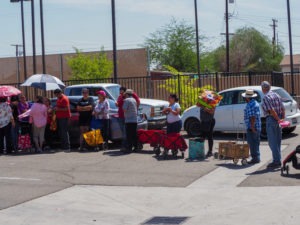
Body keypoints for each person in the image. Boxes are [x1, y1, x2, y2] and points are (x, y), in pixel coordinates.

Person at [261, 81, 285, 168]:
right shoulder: (277, 95)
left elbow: (271, 111)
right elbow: (283, 108)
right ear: (269, 87)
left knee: (272, 142)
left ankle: (276, 161)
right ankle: (278, 160)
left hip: (271, 119)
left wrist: (278, 119)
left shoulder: (266, 97)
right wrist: (282, 118)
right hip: (278, 118)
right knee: (278, 141)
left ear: (263, 89)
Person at [242, 89, 261, 164]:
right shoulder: (255, 102)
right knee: (256, 143)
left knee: (252, 143)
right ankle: (257, 157)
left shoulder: (249, 105)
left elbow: (252, 117)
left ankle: (255, 158)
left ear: (247, 97)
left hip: (252, 127)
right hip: (257, 126)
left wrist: (252, 128)